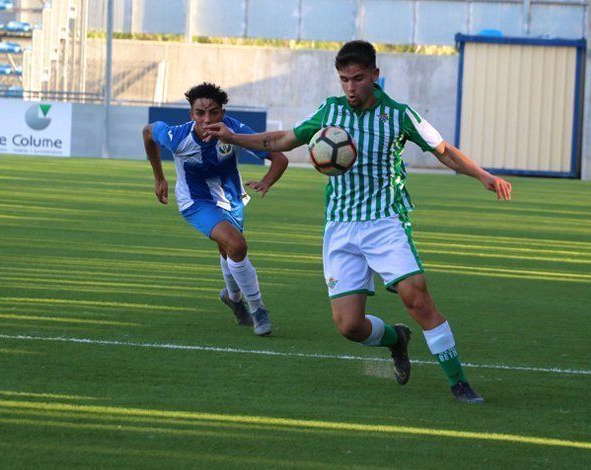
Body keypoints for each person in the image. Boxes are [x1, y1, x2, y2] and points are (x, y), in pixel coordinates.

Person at [203, 41, 512, 403]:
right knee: (349, 326)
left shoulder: (398, 114)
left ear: (375, 76)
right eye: (344, 79)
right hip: (341, 227)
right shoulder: (329, 112)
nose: (350, 87)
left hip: (385, 222)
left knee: (417, 297)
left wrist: (483, 176)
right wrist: (233, 137)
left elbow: (442, 150)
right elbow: (280, 139)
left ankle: (459, 383)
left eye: (358, 78)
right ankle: (397, 339)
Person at [142, 82, 288, 336]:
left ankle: (233, 298)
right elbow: (147, 132)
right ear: (191, 115)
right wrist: (159, 177)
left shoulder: (234, 131)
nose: (206, 119)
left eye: (213, 112)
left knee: (228, 251)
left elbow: (279, 157)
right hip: (194, 202)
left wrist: (266, 181)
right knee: (237, 245)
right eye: (200, 113)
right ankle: (258, 309)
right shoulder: (177, 136)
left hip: (232, 200)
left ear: (223, 113)